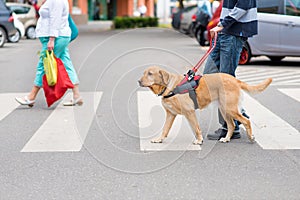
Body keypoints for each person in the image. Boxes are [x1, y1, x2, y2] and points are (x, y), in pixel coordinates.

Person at [203, 0, 258, 140]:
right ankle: (239, 115)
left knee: (225, 82)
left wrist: (222, 25)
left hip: (233, 34)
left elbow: (243, 7)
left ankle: (230, 127)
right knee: (208, 77)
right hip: (224, 32)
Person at [15, 0, 83, 107]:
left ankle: (31, 97)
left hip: (56, 38)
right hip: (59, 37)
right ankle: (76, 95)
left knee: (43, 65)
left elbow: (55, 20)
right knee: (66, 63)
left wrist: (51, 39)